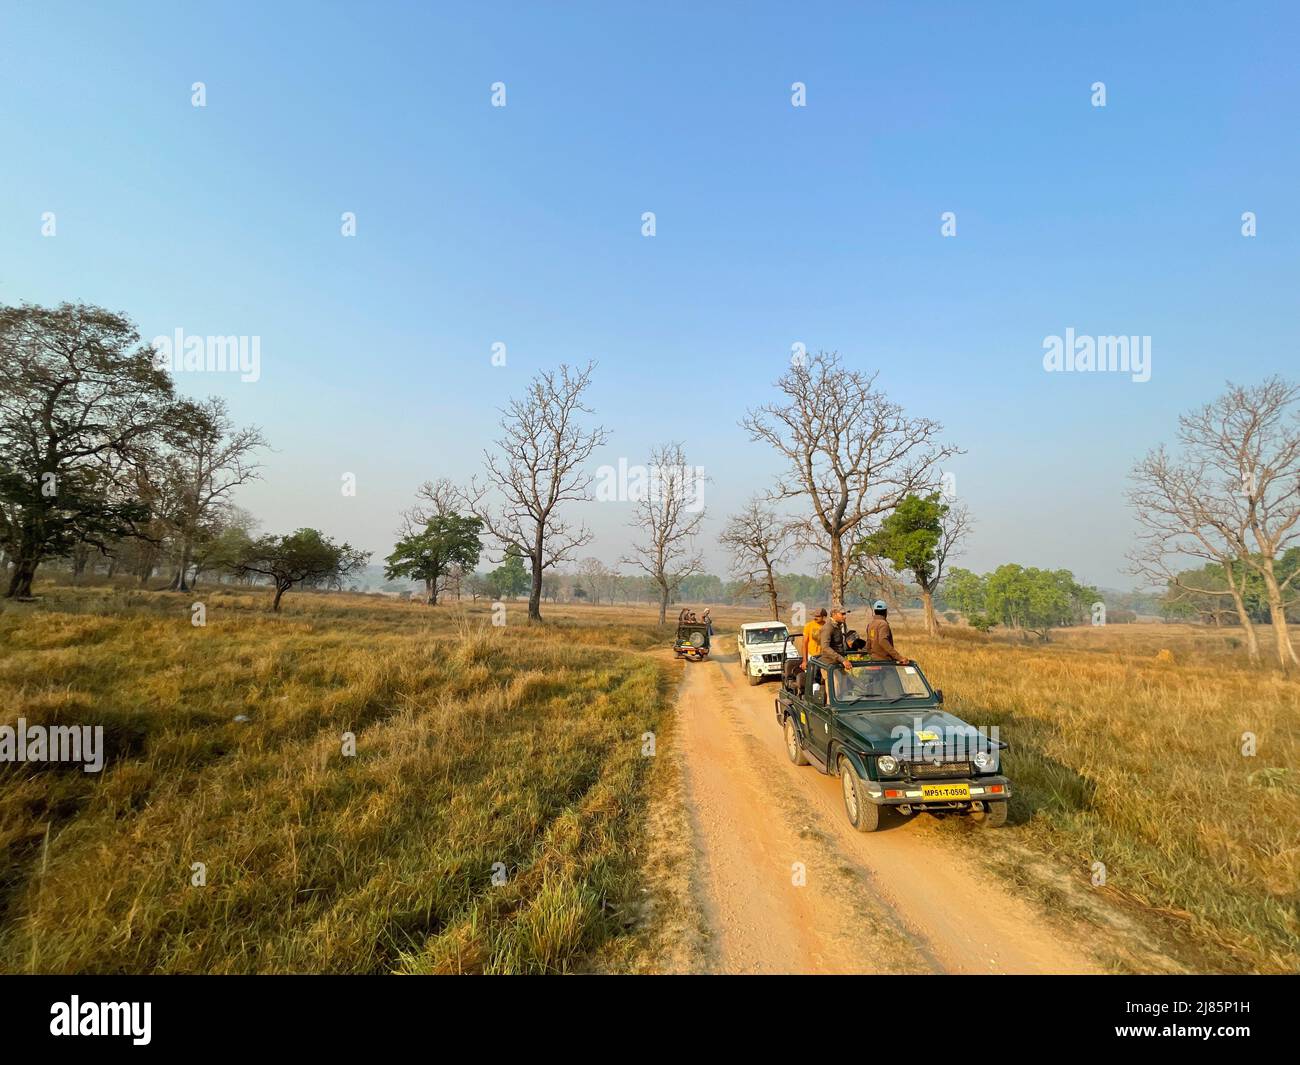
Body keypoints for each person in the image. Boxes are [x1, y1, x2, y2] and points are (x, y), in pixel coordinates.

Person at [865, 599, 909, 665]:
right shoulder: (883, 624)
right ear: (885, 612)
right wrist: (899, 657)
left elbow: (868, 642)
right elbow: (882, 641)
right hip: (885, 662)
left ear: (874, 611)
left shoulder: (870, 624)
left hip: (873, 660)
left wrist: (870, 655)